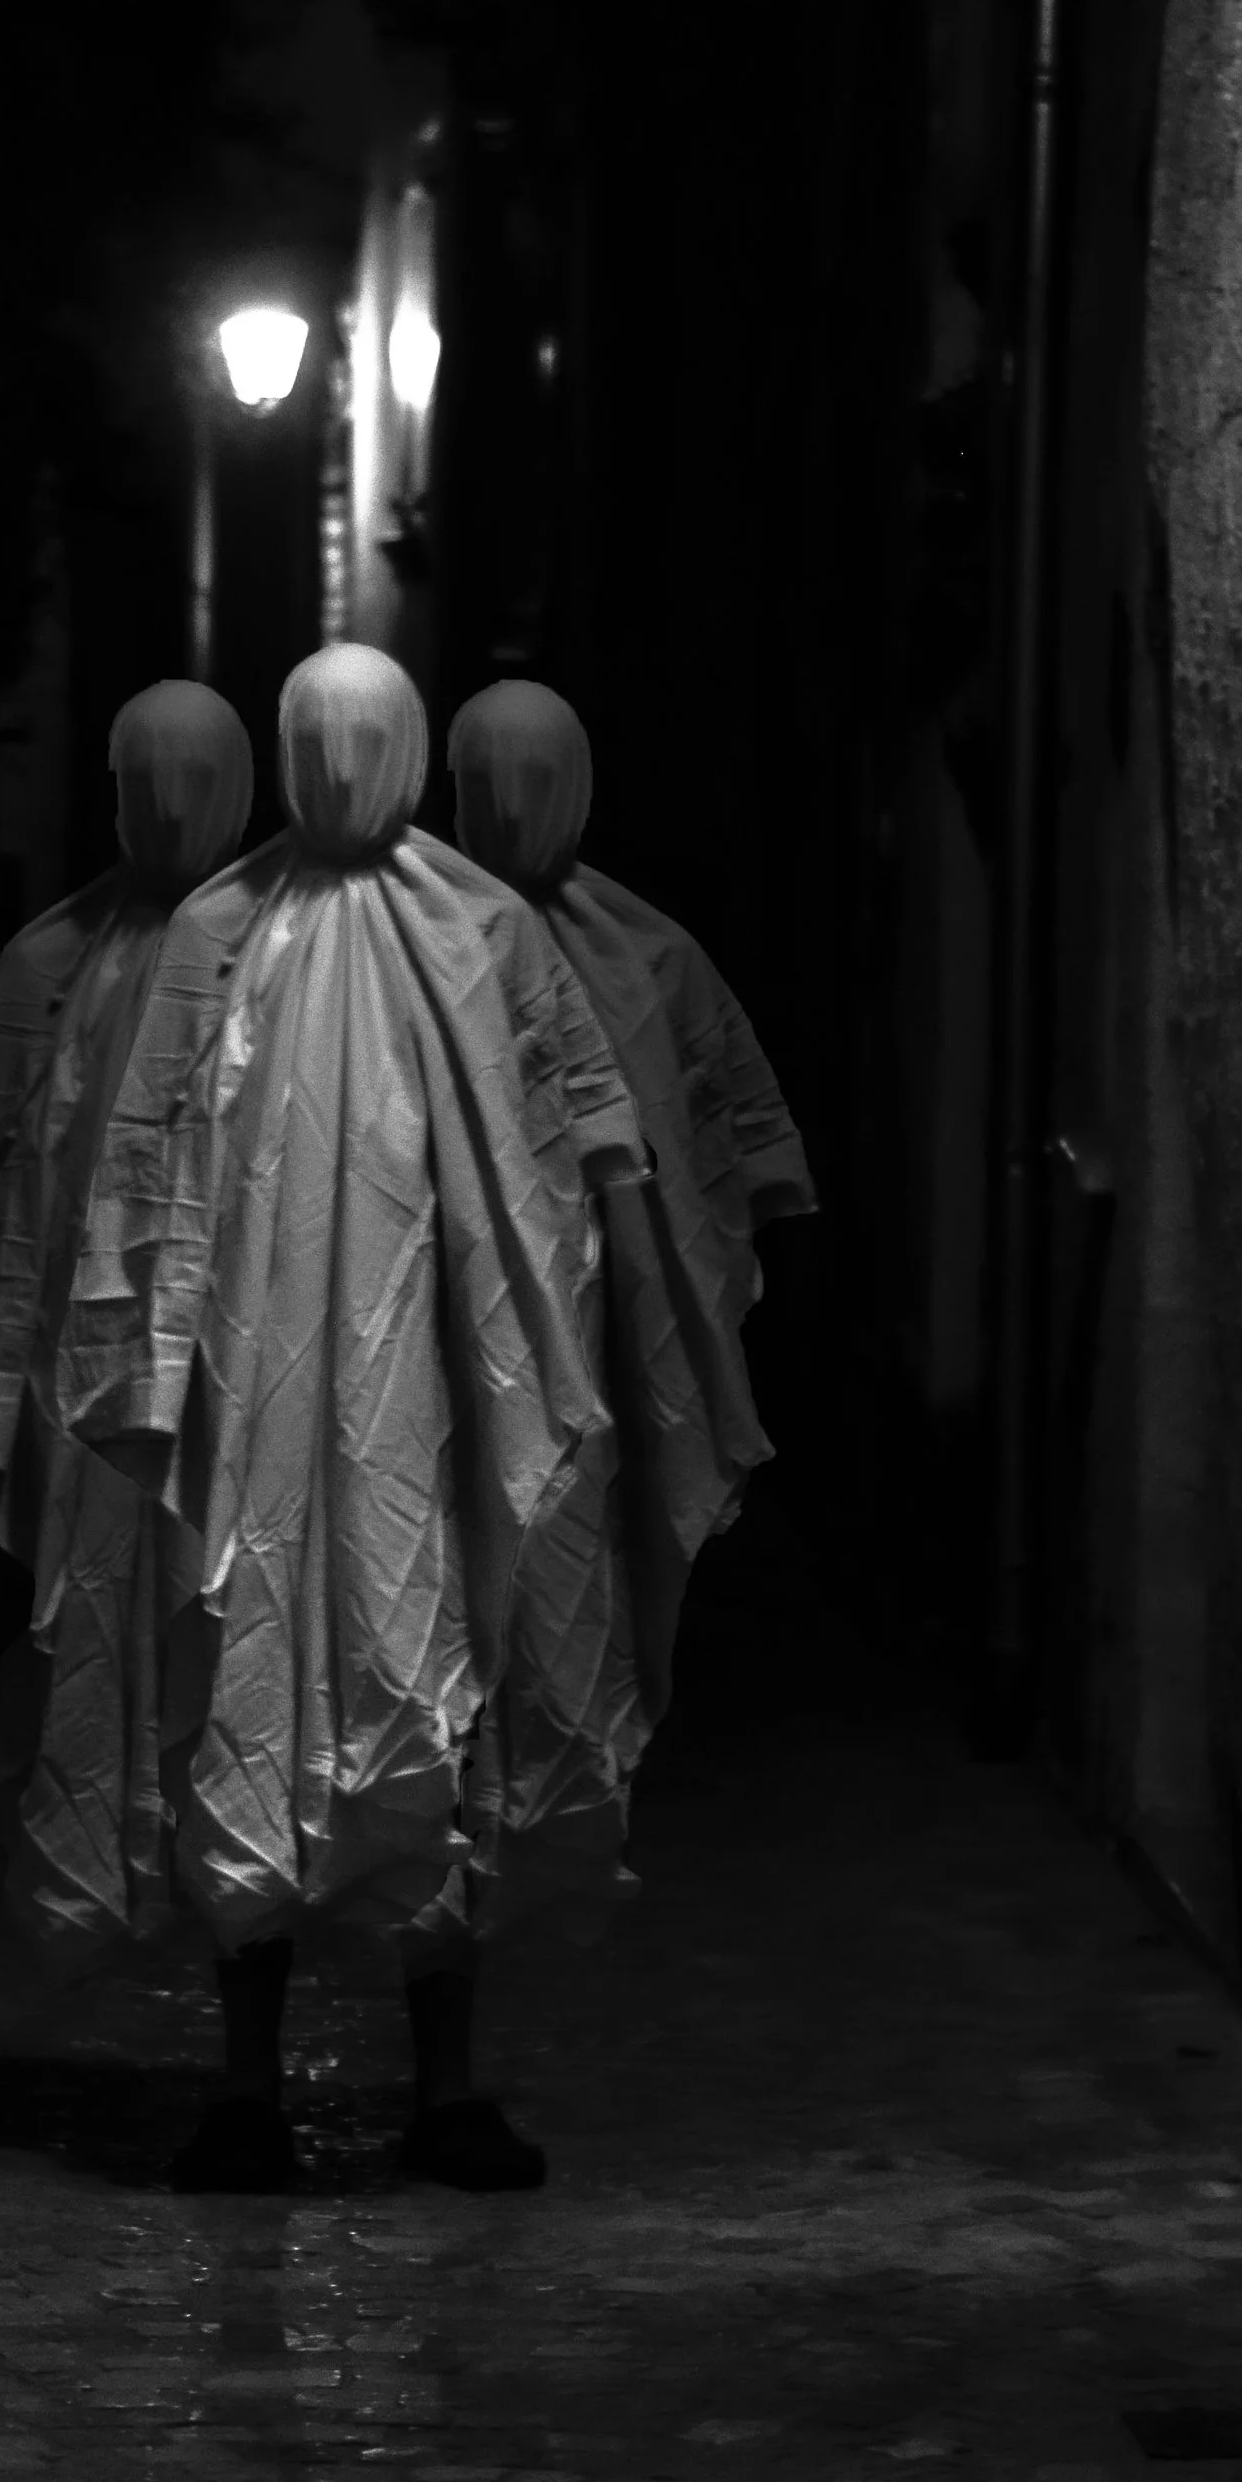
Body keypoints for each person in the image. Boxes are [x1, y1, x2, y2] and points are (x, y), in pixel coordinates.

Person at [58, 643, 646, 2193]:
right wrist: (141, 1378)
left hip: (443, 1401)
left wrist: (575, 1352)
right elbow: (144, 1161)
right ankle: (245, 2083)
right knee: (245, 1695)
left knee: (446, 1710)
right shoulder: (214, 930)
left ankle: (444, 2087)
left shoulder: (487, 925)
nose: (332, 762)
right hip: (249, 1405)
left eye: (353, 737)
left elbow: (580, 1138)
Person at [0, 678, 254, 1962]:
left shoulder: (278, 953)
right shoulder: (55, 956)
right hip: (85, 1373)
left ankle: (239, 1887)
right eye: (136, 780)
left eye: (185, 780)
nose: (161, 809)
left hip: (234, 1372)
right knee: (97, 1619)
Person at [448, 675, 814, 1749]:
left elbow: (705, 1147)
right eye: (490, 781)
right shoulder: (425, 943)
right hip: (470, 1317)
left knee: (561, 1554)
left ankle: (534, 1812)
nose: (511, 806)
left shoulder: (643, 954)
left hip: (595, 1317)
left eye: (531, 782)